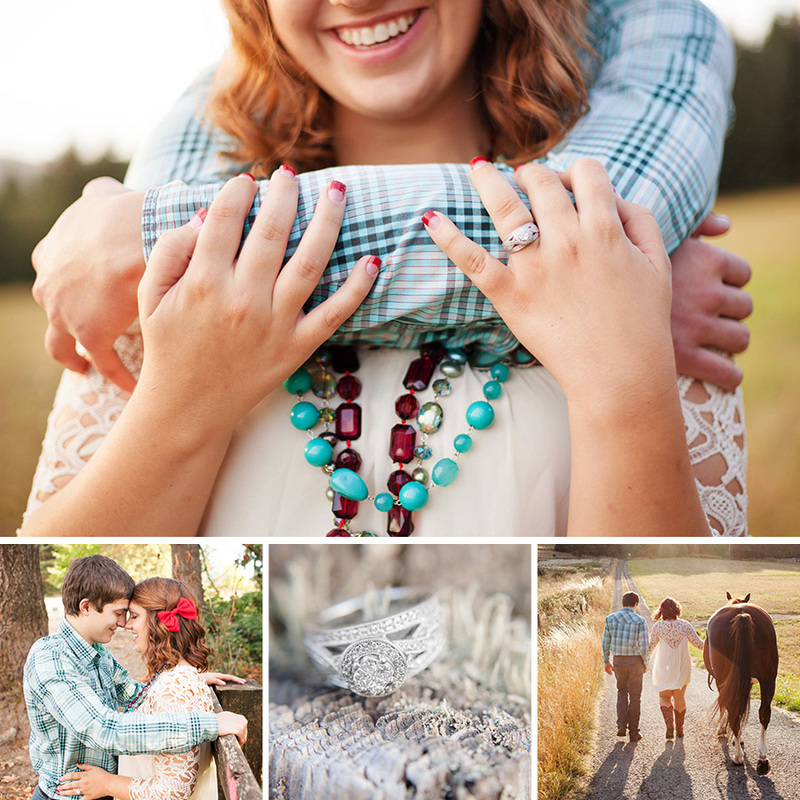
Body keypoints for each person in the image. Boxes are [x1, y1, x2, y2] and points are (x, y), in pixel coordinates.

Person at [21, 0, 749, 537]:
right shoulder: (165, 278)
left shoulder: (636, 273)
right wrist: (184, 399)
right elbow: (73, 576)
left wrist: (619, 360)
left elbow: (641, 584)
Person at [23, 556, 247, 800]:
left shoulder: (100, 655)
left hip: (103, 789)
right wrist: (209, 725)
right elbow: (103, 729)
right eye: (119, 613)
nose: (122, 623)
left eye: (128, 615)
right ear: (86, 607)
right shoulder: (50, 658)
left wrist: (183, 679)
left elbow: (135, 694)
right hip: (67, 795)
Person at [57, 578, 223, 800]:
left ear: (160, 622)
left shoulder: (178, 687)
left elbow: (175, 790)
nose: (126, 625)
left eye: (134, 616)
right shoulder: (173, 678)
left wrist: (107, 784)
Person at [649, 597, 705, 739]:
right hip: (682, 665)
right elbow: (699, 645)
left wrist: (641, 660)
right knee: (679, 696)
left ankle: (669, 725)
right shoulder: (685, 625)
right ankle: (680, 729)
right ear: (677, 609)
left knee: (664, 696)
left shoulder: (658, 627)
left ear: (662, 611)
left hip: (664, 665)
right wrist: (714, 643)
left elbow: (650, 648)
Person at [602, 591, 649, 742]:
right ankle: (634, 732)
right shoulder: (640, 621)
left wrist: (606, 661)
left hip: (619, 661)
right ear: (636, 604)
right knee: (635, 696)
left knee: (622, 691)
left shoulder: (610, 619)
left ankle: (621, 725)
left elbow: (605, 643)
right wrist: (646, 663)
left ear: (622, 603)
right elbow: (643, 646)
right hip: (636, 662)